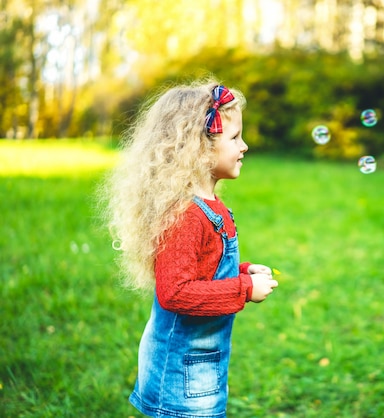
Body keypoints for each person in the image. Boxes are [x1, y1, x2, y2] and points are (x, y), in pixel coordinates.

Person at [101, 77, 278, 417]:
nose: (244, 146)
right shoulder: (186, 215)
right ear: (199, 147)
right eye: (235, 137)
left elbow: (205, 269)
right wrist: (243, 288)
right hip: (181, 372)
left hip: (201, 364)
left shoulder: (212, 206)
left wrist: (244, 271)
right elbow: (176, 292)